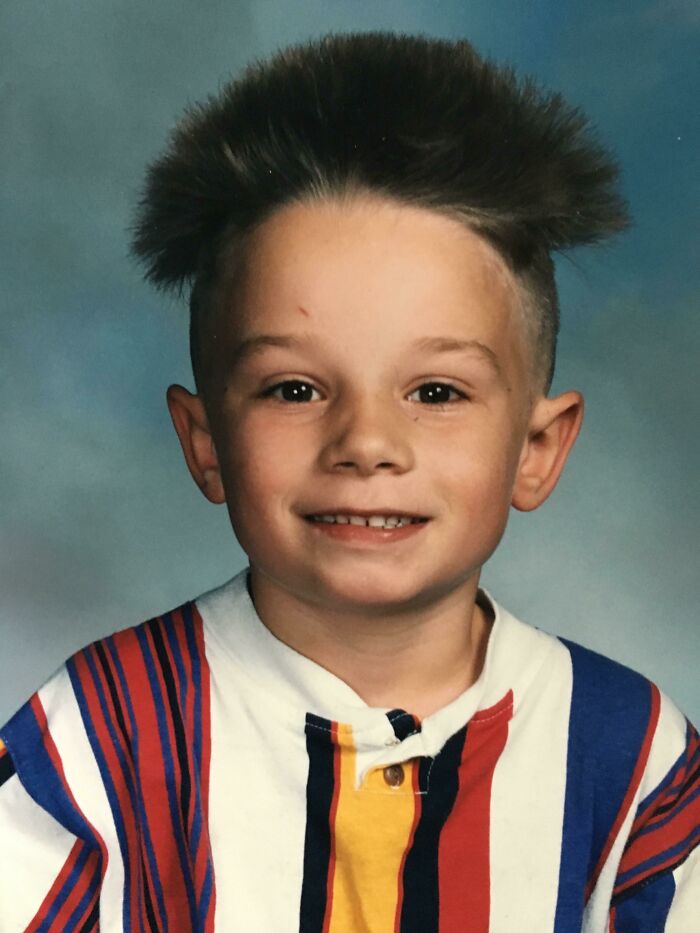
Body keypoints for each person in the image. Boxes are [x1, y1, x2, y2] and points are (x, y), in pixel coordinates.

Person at [0, 31, 696, 932]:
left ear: (537, 447)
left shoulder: (630, 757)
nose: (367, 441)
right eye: (295, 389)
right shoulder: (100, 738)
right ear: (205, 440)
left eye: (436, 391)